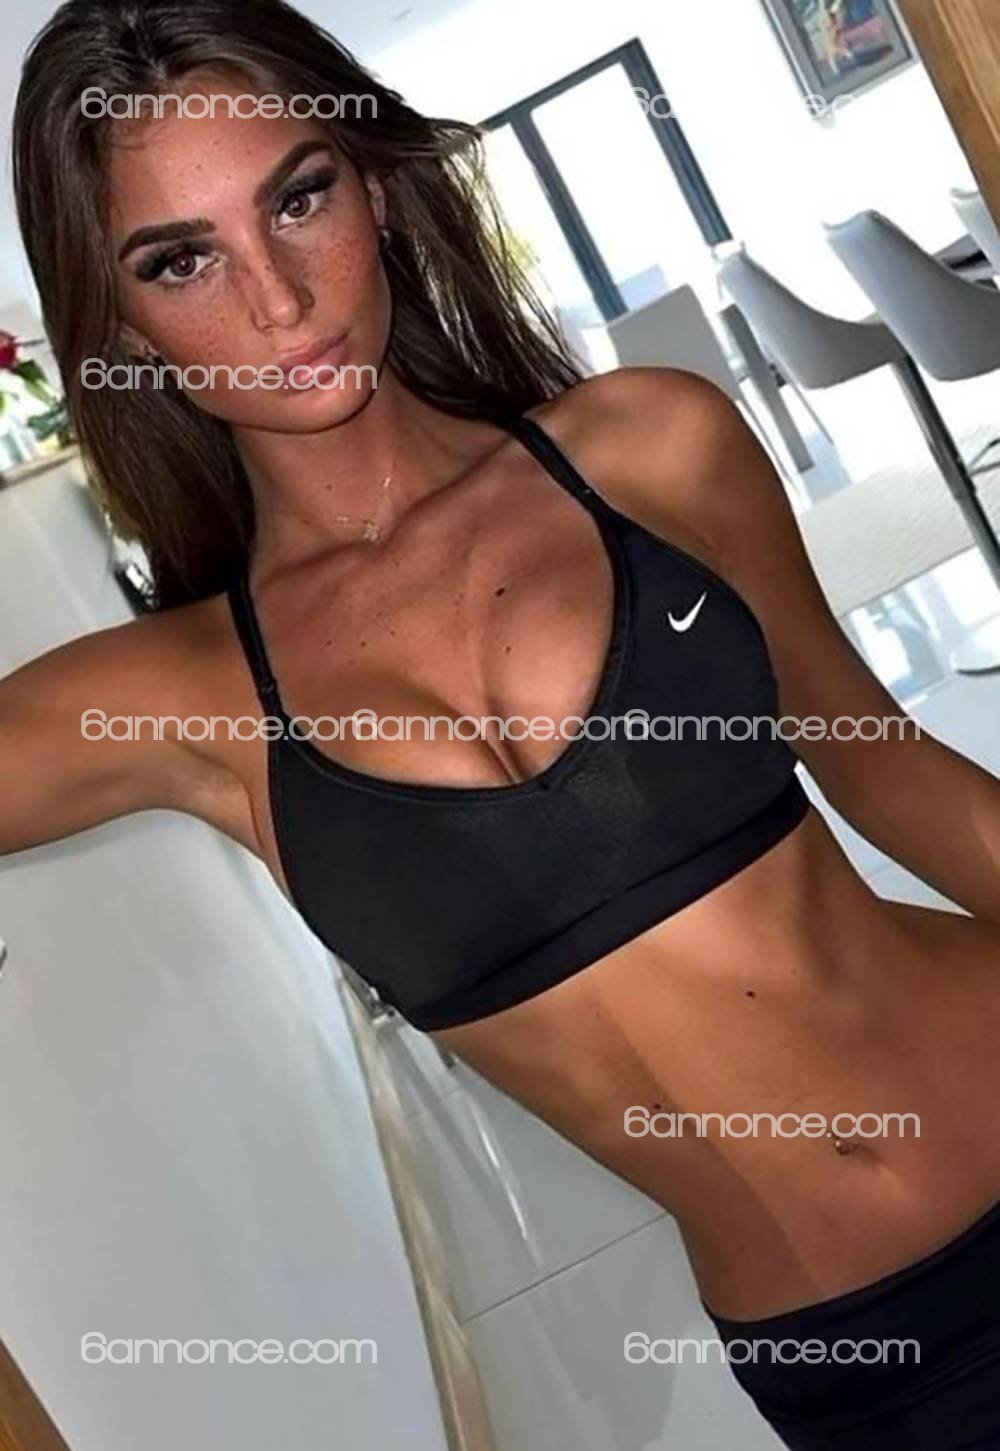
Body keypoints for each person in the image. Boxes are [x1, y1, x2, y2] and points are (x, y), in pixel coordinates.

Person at [6, 2, 1000, 1445]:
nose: (278, 301)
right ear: (117, 323)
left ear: (374, 187)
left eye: (299, 197)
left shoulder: (647, 448)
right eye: (181, 260)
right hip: (868, 1365)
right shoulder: (183, 698)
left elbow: (895, 775)